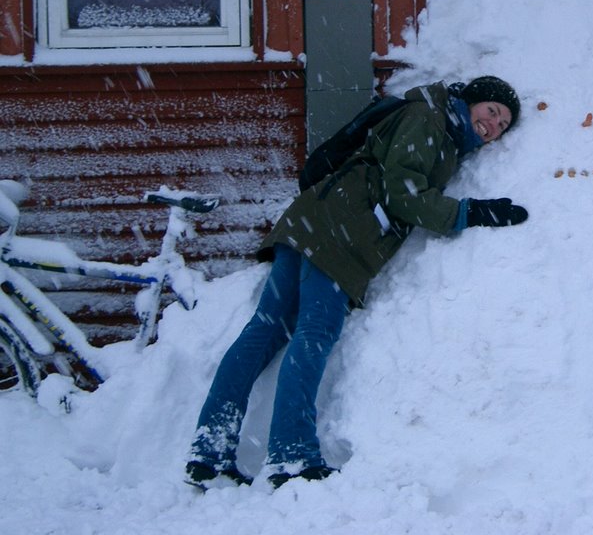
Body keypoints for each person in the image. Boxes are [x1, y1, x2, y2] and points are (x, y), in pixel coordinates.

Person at [186, 76, 529, 490]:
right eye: (492, 111)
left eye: (503, 124)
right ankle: (291, 453)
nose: (493, 125)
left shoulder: (433, 119)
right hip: (343, 227)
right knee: (314, 332)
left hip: (315, 217)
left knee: (265, 329)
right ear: (472, 101)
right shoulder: (430, 120)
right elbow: (402, 192)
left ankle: (211, 446)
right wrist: (470, 213)